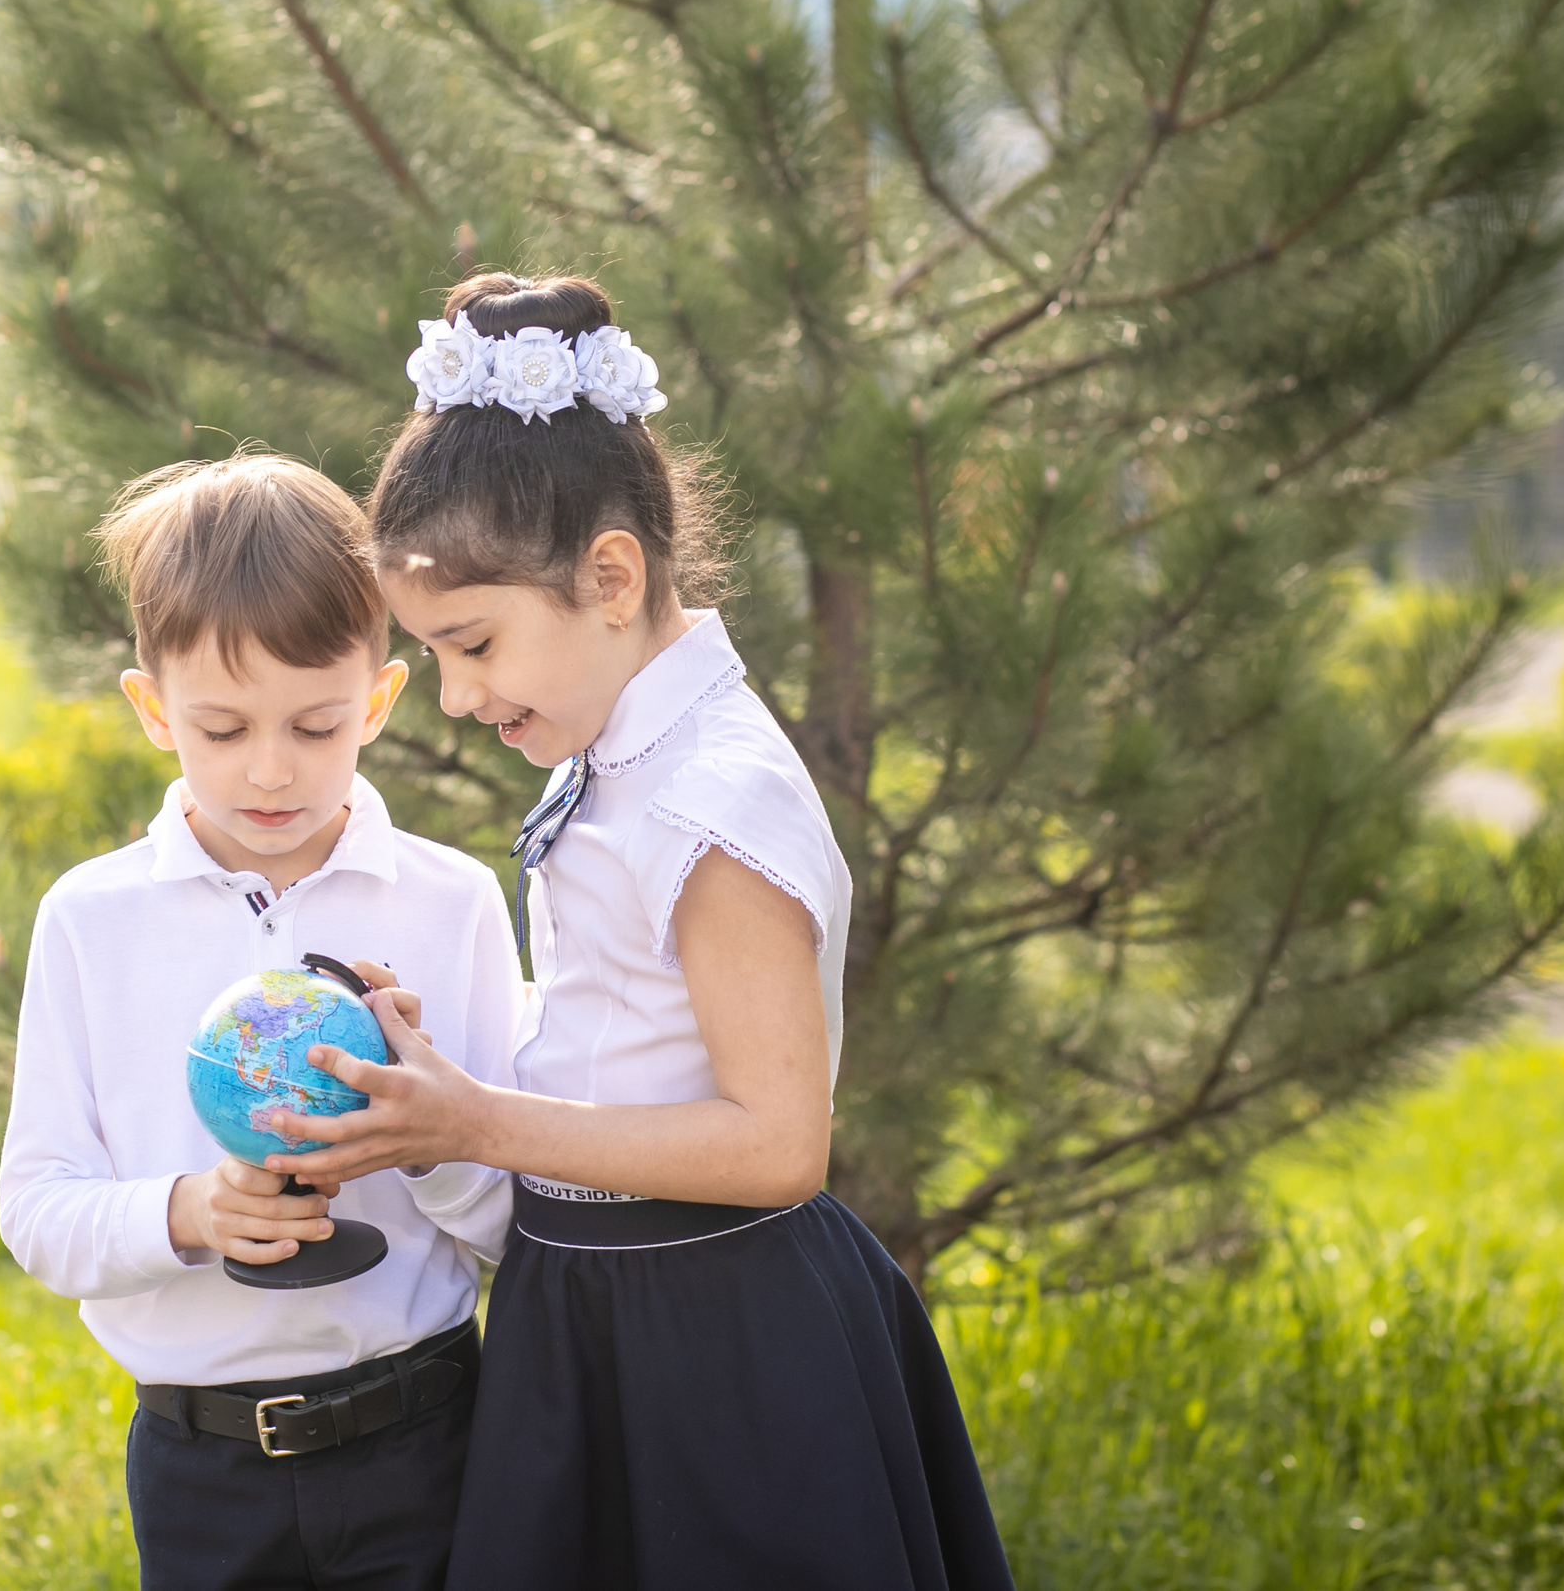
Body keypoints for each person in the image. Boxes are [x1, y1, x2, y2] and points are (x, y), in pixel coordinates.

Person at [266, 275, 1016, 1591]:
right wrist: (450, 1087)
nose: (453, 695)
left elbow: (778, 1142)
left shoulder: (713, 800)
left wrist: (476, 1122)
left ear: (611, 576)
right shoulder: (625, 752)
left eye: (475, 641)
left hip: (718, 1339)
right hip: (596, 1317)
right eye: (436, 651)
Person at [0, 453, 521, 1591]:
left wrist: (437, 1136)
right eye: (223, 729)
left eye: (318, 726)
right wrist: (189, 1211)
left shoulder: (450, 902)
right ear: (151, 707)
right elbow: (37, 1210)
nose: (271, 771)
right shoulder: (92, 919)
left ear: (378, 700)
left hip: (425, 1440)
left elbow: (508, 1227)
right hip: (202, 1468)